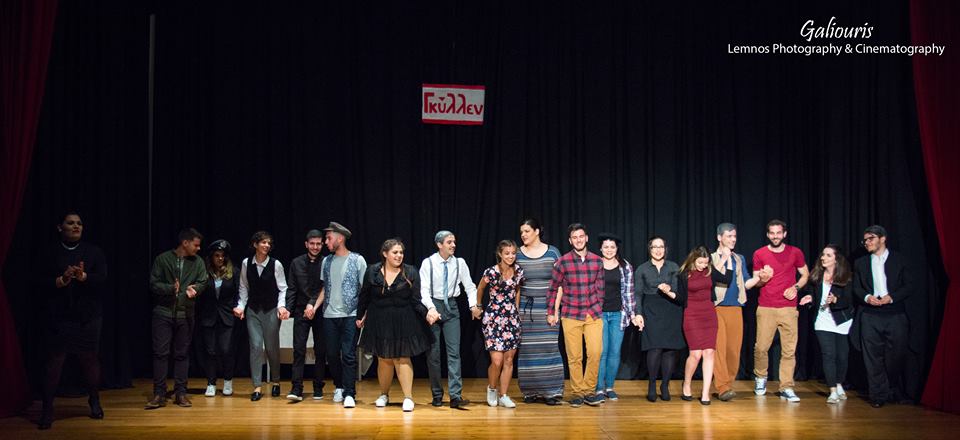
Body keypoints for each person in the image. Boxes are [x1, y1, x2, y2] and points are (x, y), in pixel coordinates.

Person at [38, 212, 108, 429]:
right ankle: (47, 408)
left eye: (79, 223)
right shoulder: (49, 252)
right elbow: (38, 281)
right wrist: (62, 279)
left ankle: (94, 400)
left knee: (90, 360)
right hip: (59, 316)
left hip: (88, 317)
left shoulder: (94, 252)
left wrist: (83, 277)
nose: (76, 226)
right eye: (70, 223)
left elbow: (103, 279)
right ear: (60, 227)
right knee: (55, 361)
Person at [357, 238, 434, 412]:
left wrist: (427, 312)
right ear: (385, 254)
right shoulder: (372, 271)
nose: (399, 255)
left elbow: (416, 300)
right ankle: (383, 395)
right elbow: (364, 296)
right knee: (383, 358)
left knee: (402, 357)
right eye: (395, 252)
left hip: (403, 321)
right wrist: (360, 316)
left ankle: (408, 397)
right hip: (379, 320)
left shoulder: (410, 272)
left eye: (401, 252)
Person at [147, 228, 208, 409]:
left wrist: (195, 289)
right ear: (185, 243)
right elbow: (153, 283)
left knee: (182, 354)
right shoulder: (163, 259)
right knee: (160, 354)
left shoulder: (198, 262)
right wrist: (170, 288)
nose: (198, 248)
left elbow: (203, 281)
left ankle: (181, 392)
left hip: (185, 313)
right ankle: (159, 393)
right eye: (196, 245)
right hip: (163, 313)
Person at [853, 225, 913, 408]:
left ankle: (893, 390)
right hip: (870, 315)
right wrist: (867, 297)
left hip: (895, 314)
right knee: (872, 358)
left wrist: (891, 297)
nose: (867, 242)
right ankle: (878, 396)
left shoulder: (899, 259)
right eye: (865, 240)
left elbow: (909, 285)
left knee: (896, 355)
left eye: (870, 238)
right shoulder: (861, 263)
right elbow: (856, 287)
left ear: (883, 238)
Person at [547, 223, 605, 408]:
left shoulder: (597, 261)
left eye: (581, 236)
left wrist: (597, 305)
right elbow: (553, 288)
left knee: (595, 353)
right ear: (570, 240)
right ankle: (578, 392)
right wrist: (551, 312)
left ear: (586, 238)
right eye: (575, 237)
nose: (578, 240)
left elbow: (600, 288)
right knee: (574, 356)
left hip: (592, 313)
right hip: (571, 313)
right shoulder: (563, 262)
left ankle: (589, 391)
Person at [419, 230, 479, 408]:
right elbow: (423, 290)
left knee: (454, 353)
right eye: (449, 242)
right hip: (433, 305)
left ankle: (455, 396)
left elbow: (470, 286)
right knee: (433, 353)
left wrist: (473, 305)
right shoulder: (428, 263)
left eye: (454, 242)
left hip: (451, 306)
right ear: (439, 245)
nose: (453, 245)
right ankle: (437, 394)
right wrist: (431, 308)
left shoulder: (459, 263)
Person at [752, 219, 809, 402]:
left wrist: (796, 288)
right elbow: (755, 282)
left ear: (784, 234)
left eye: (778, 233)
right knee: (761, 348)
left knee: (789, 350)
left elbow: (805, 274)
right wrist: (763, 279)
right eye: (772, 233)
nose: (775, 236)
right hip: (766, 307)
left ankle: (786, 387)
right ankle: (761, 377)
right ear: (767, 234)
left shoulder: (795, 252)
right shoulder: (759, 253)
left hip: (788, 308)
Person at [711, 223, 769, 402]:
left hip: (736, 307)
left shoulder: (739, 258)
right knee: (719, 348)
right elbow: (714, 277)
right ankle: (722, 387)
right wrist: (724, 258)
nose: (733, 239)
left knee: (733, 349)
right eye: (729, 236)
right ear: (719, 237)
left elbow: (746, 283)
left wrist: (760, 278)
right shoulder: (711, 258)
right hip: (717, 307)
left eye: (734, 236)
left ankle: (728, 384)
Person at [235, 231, 290, 401]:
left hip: (271, 310)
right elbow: (244, 287)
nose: (266, 245)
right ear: (255, 244)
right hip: (253, 311)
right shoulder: (246, 263)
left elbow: (283, 288)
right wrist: (241, 306)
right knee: (256, 347)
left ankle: (276, 381)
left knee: (272, 348)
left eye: (268, 243)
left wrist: (281, 306)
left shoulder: (275, 264)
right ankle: (257, 386)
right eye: (263, 242)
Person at [515, 218, 565, 405]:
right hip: (526, 310)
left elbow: (560, 283)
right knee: (527, 350)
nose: (523, 235)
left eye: (527, 231)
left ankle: (552, 392)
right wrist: (515, 311)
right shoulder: (517, 254)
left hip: (547, 308)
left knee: (548, 348)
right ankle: (530, 391)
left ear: (537, 231)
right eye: (521, 232)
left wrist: (555, 309)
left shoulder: (552, 252)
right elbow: (515, 286)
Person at [319, 221, 366, 408]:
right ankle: (338, 386)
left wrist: (364, 314)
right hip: (329, 315)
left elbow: (364, 290)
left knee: (348, 354)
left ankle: (349, 393)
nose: (326, 242)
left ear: (340, 238)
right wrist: (314, 306)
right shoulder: (326, 261)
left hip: (350, 314)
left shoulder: (357, 260)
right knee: (331, 354)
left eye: (328, 238)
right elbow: (325, 287)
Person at [799, 244, 854, 404]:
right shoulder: (817, 275)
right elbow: (813, 293)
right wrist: (810, 298)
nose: (823, 258)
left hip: (841, 320)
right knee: (828, 354)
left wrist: (836, 300)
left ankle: (839, 383)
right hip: (822, 320)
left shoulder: (846, 277)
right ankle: (832, 390)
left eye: (828, 255)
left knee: (842, 356)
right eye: (823, 254)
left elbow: (850, 299)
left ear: (837, 259)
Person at [677, 246, 732, 405]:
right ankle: (687, 383)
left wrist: (727, 259)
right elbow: (681, 297)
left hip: (709, 315)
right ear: (693, 260)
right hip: (692, 315)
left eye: (706, 262)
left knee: (709, 352)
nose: (703, 265)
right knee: (696, 354)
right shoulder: (684, 274)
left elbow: (727, 280)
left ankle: (705, 393)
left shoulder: (710, 271)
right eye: (700, 262)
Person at [474, 240, 525, 408]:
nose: (511, 256)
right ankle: (492, 388)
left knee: (509, 359)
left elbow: (517, 289)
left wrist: (516, 309)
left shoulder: (518, 271)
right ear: (500, 254)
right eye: (507, 253)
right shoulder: (491, 272)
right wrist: (479, 306)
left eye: (513, 253)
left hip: (511, 319)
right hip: (493, 318)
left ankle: (503, 395)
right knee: (497, 361)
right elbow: (480, 288)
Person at [633, 236, 681, 402]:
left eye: (661, 247)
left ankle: (665, 385)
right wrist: (638, 313)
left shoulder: (674, 267)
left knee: (670, 350)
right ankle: (652, 384)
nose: (658, 250)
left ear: (665, 249)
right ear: (650, 249)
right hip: (651, 309)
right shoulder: (642, 269)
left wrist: (669, 288)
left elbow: (678, 290)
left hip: (671, 309)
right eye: (655, 247)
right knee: (654, 348)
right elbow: (637, 294)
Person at [285, 230, 327, 401]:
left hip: (320, 310)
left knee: (320, 350)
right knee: (299, 349)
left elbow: (325, 287)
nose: (315, 247)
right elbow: (292, 288)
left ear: (322, 244)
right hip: (301, 310)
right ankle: (296, 388)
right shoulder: (296, 263)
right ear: (306, 244)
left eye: (318, 244)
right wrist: (288, 309)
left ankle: (318, 386)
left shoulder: (326, 262)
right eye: (312, 243)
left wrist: (313, 304)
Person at [594, 233, 635, 402]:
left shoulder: (625, 266)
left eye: (612, 247)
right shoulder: (595, 264)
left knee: (614, 352)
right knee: (601, 352)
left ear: (617, 249)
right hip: (599, 314)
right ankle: (598, 388)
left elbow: (629, 293)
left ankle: (609, 387)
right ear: (601, 248)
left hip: (619, 314)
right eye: (606, 247)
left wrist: (632, 314)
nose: (609, 250)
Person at [198, 239, 239, 398]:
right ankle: (211, 383)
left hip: (227, 316)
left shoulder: (233, 272)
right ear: (211, 257)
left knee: (226, 350)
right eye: (217, 255)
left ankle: (228, 381)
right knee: (210, 351)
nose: (220, 258)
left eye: (222, 256)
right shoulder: (204, 272)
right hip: (209, 316)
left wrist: (238, 307)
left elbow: (239, 292)